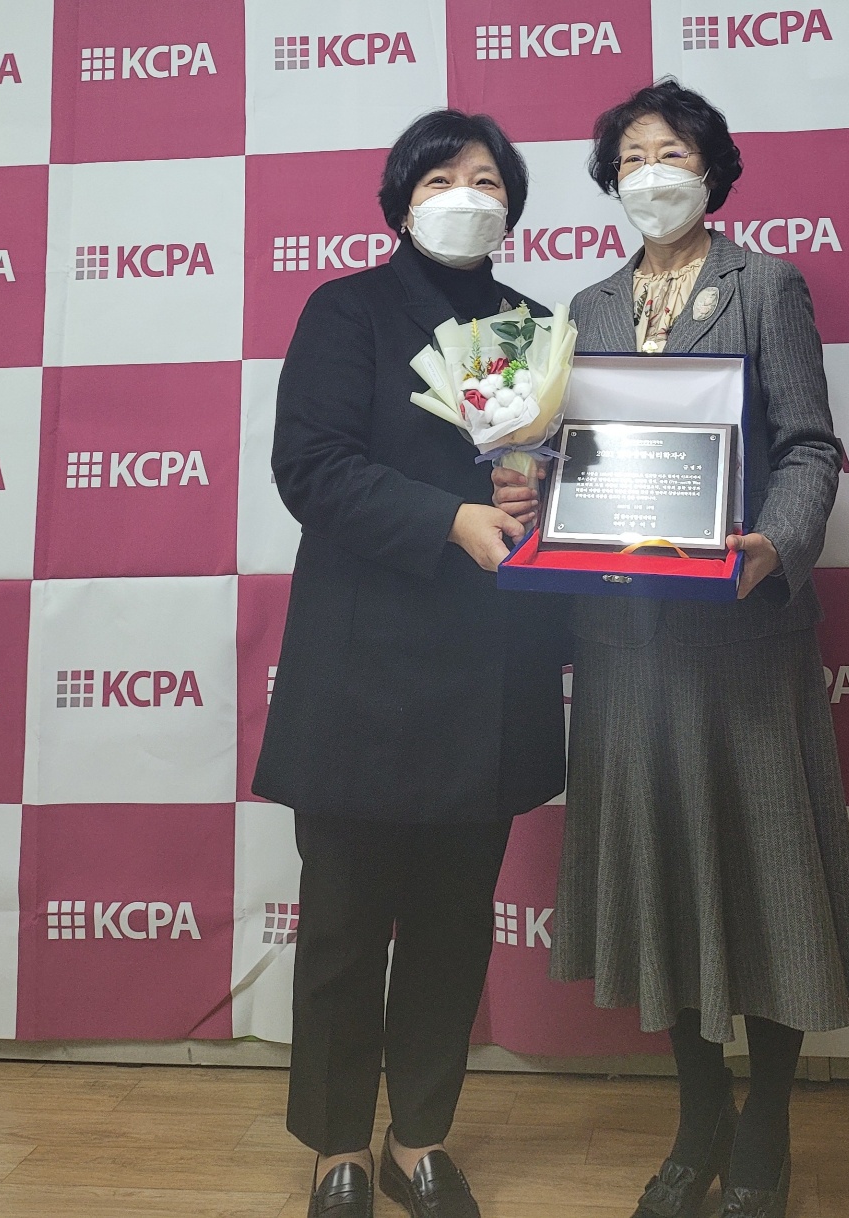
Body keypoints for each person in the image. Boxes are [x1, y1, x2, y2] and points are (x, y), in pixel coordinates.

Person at [493, 81, 849, 1218]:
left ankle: (768, 1122)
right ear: (610, 182)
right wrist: (529, 487)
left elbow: (808, 447)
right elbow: (575, 462)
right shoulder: (585, 306)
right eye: (631, 158)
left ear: (711, 170)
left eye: (672, 153)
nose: (651, 173)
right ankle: (699, 1115)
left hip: (745, 633)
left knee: (767, 879)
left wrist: (779, 543)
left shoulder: (767, 285)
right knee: (667, 879)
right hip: (626, 641)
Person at [255, 110, 569, 1218]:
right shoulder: (345, 310)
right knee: (344, 923)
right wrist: (448, 519)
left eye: (487, 179)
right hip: (364, 667)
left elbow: (557, 479)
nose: (466, 195)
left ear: (511, 206)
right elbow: (311, 467)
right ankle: (339, 1144)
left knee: (452, 924)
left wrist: (540, 488)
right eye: (441, 178)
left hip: (490, 667)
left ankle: (419, 1137)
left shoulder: (535, 327)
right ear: (400, 201)